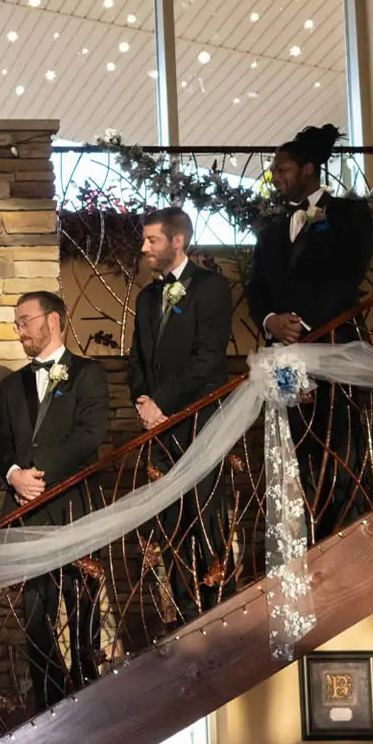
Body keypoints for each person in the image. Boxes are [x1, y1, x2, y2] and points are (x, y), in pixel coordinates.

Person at [248, 124, 373, 538]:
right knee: (297, 444)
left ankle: (344, 529)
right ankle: (311, 531)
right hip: (284, 354)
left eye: (281, 167)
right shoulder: (270, 227)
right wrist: (271, 321)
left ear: (307, 168)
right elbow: (258, 288)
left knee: (338, 443)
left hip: (333, 344)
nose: (275, 175)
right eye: (273, 169)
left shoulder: (350, 214)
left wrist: (301, 323)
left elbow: (348, 274)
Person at [0, 292, 110, 713]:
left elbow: (89, 435)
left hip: (74, 507)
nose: (19, 330)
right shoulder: (10, 386)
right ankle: (48, 700)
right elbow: (2, 443)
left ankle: (87, 697)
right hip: (27, 513)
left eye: (25, 320)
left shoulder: (89, 374)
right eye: (17, 323)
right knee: (35, 614)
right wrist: (14, 475)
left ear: (53, 320)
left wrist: (39, 473)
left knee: (82, 608)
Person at [128, 206, 233, 620]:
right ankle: (182, 608)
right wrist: (143, 401)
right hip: (158, 428)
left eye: (152, 240)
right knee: (169, 520)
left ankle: (215, 604)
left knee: (206, 513)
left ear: (178, 240)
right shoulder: (147, 295)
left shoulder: (211, 288)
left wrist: (162, 403)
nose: (144, 248)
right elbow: (136, 359)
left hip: (199, 420)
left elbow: (208, 360)